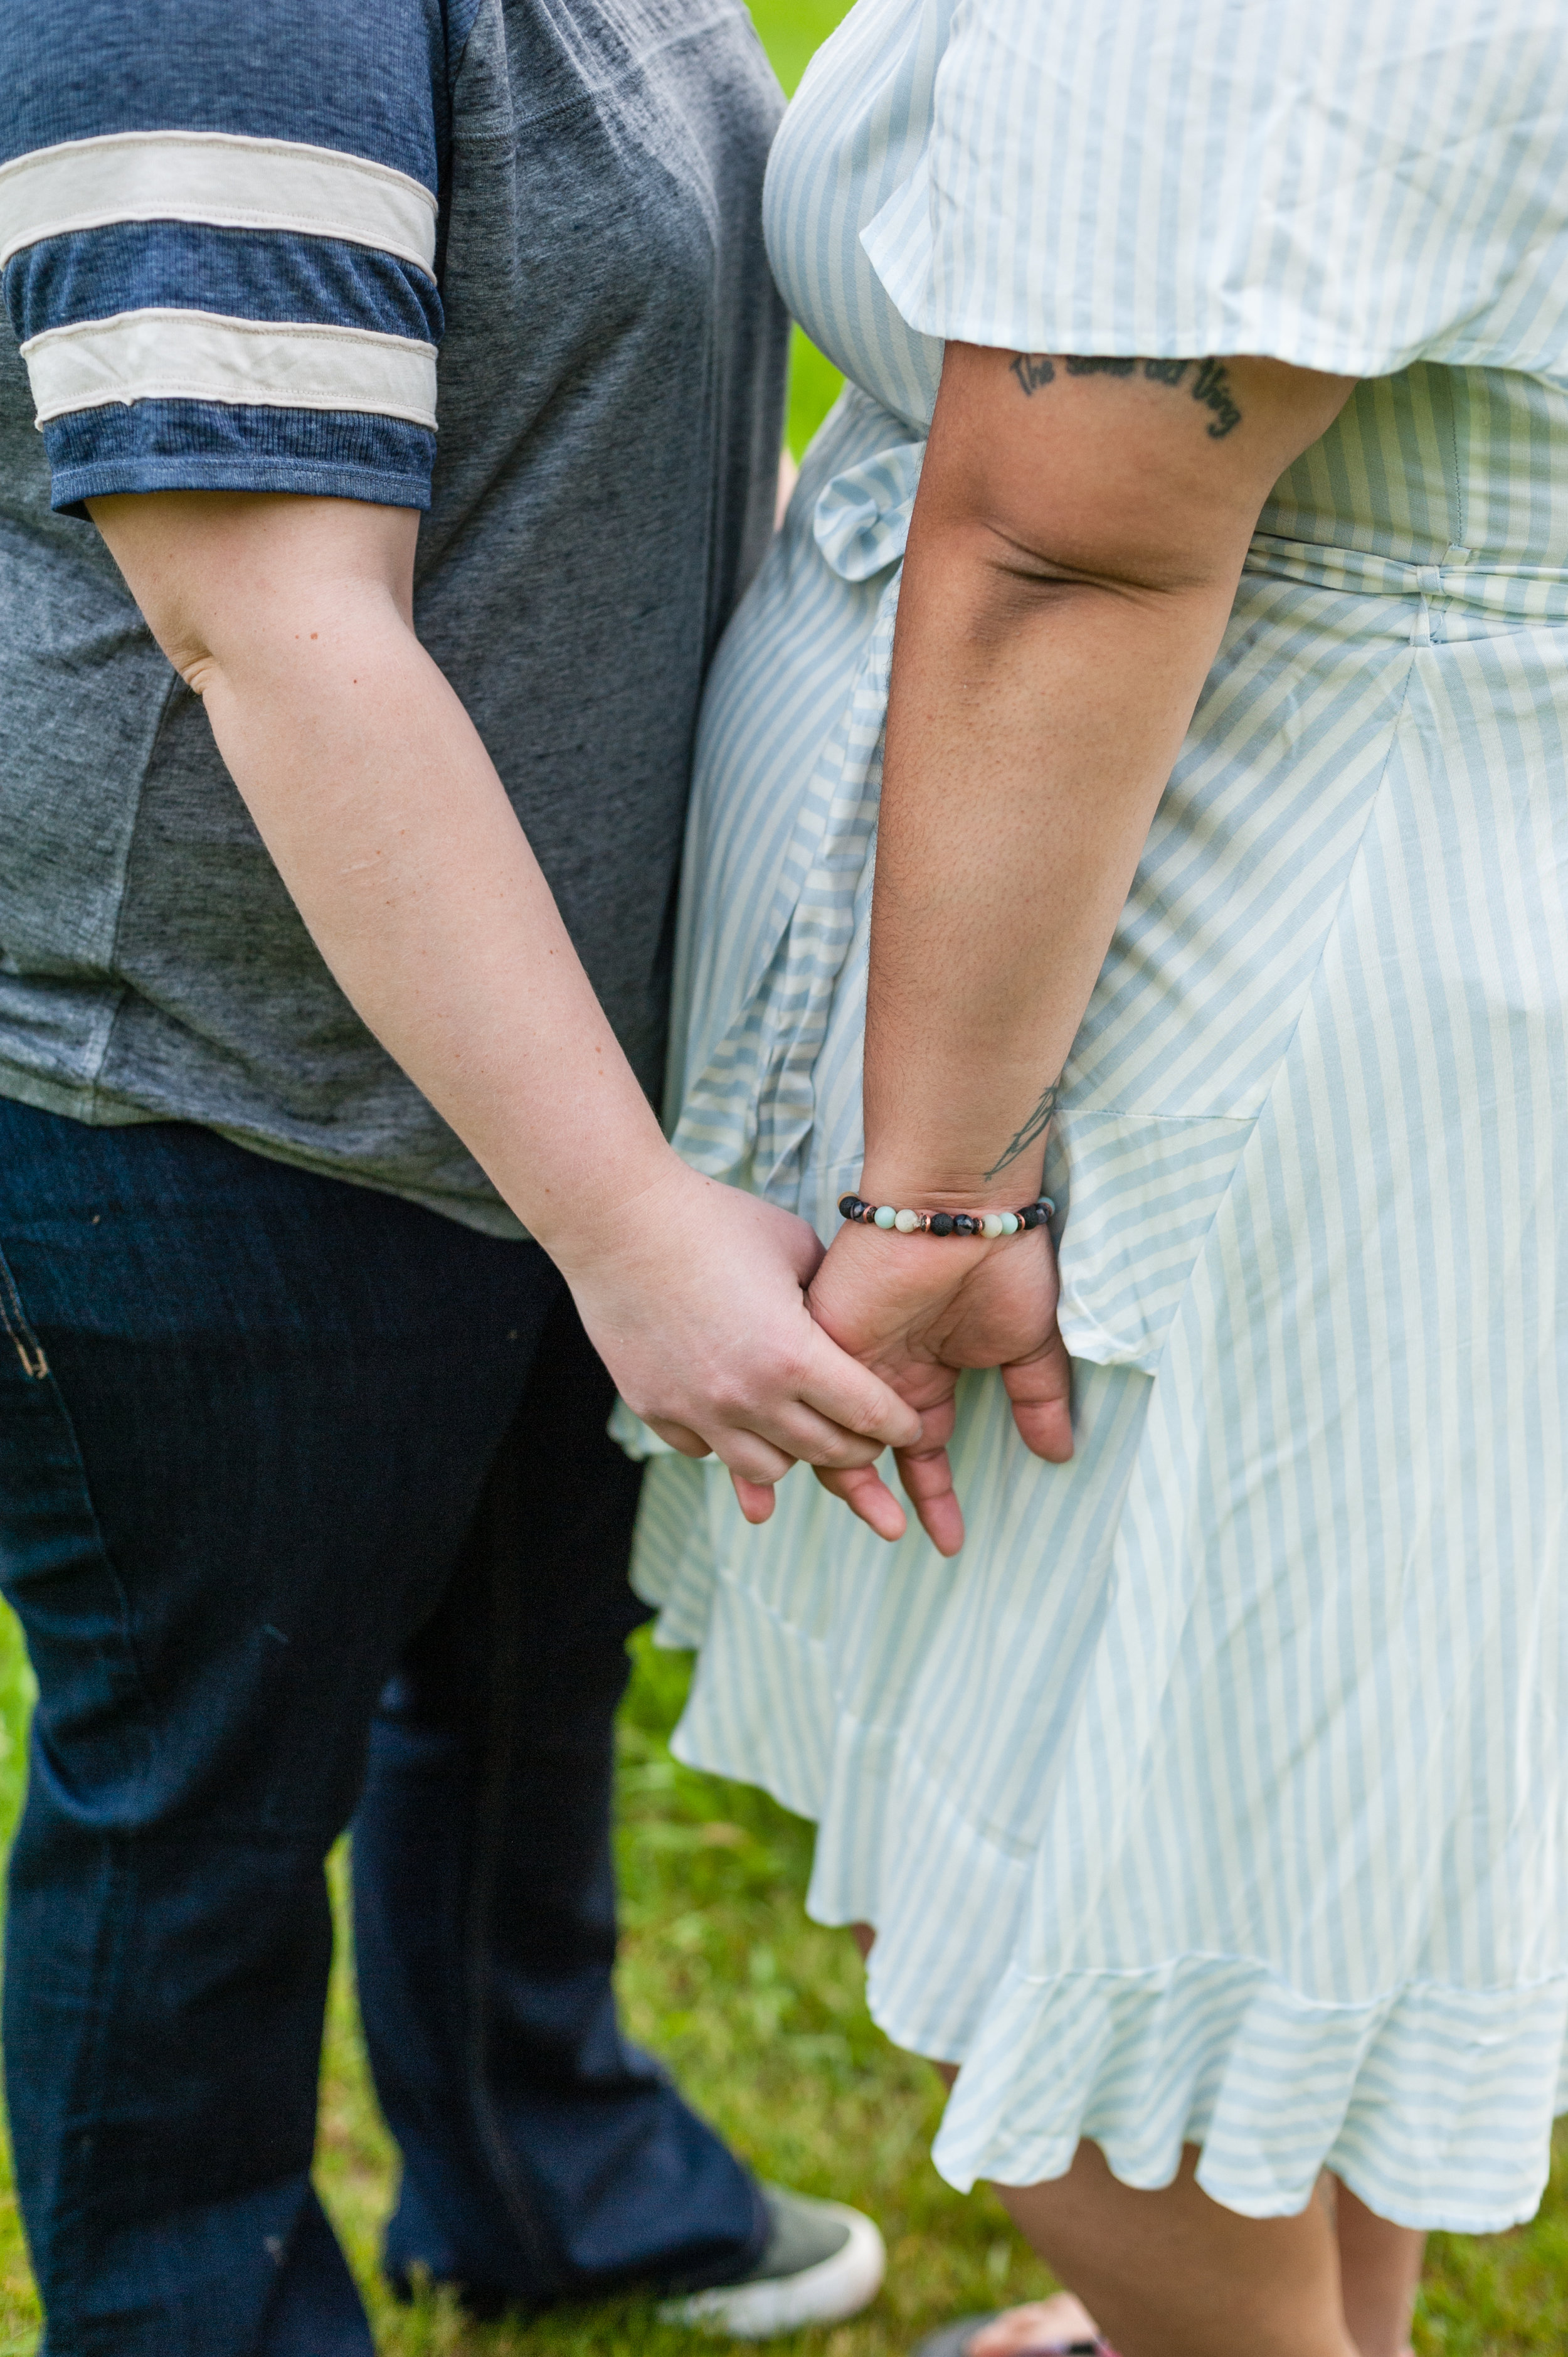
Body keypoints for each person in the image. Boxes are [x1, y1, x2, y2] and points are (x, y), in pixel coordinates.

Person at [627, 1, 1568, 2353]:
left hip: (1200, 1020)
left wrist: (936, 1194)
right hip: (1282, 946)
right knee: (1252, 1824)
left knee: (1088, 1851)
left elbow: (1073, 540)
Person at [0, 1, 906, 2348]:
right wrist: (621, 1218)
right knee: (201, 1791)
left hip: (545, 1053)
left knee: (517, 1673)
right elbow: (262, 610)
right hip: (215, 1075)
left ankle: (543, 2171)